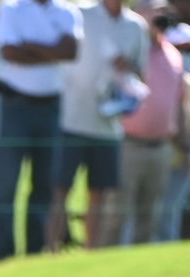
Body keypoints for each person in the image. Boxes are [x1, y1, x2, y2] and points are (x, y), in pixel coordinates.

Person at [48, 0, 148, 249]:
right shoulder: (80, 13)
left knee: (100, 194)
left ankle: (93, 252)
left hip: (108, 126)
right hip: (69, 120)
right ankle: (48, 250)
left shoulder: (136, 26)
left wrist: (128, 67)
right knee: (59, 190)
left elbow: (141, 72)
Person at [0, 0, 81, 259]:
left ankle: (34, 251)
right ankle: (3, 253)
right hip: (16, 105)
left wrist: (30, 47)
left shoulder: (66, 11)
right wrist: (53, 50)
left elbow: (71, 51)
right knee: (7, 184)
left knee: (43, 185)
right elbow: (9, 52)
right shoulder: (11, 8)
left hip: (51, 106)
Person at [117, 0, 184, 241]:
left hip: (162, 148)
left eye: (162, 11)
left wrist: (184, 146)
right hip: (128, 145)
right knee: (119, 217)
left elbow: (178, 104)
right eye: (153, 11)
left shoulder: (173, 55)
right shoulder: (130, 49)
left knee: (150, 219)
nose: (160, 16)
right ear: (138, 14)